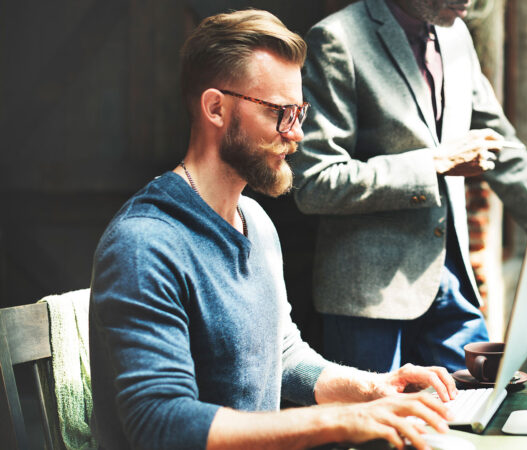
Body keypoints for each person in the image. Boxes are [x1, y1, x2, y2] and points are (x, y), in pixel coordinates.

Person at [89, 10, 459, 450]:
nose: (297, 134)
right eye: (281, 113)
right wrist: (345, 420)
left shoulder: (256, 222)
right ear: (215, 107)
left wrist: (376, 388)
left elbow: (282, 357)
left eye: (299, 112)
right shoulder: (144, 245)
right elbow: (162, 425)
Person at [291, 0, 527, 374]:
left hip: (452, 284)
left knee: (480, 414)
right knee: (378, 430)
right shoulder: (337, 39)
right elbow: (314, 181)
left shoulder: (456, 36)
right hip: (368, 303)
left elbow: (504, 151)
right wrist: (434, 164)